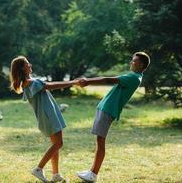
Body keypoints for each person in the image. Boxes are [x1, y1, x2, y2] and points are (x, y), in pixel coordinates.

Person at [76, 52, 150, 182]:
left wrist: (88, 81)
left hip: (108, 110)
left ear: (142, 64)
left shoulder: (134, 77)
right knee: (99, 141)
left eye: (134, 61)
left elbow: (107, 80)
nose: (131, 62)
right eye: (132, 60)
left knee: (100, 142)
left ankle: (93, 174)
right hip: (105, 108)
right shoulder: (133, 76)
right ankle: (91, 171)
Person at [10, 55, 77, 183]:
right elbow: (52, 85)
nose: (30, 65)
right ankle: (39, 169)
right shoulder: (32, 83)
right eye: (27, 63)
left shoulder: (28, 83)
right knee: (58, 143)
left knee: (55, 145)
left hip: (46, 116)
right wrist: (73, 82)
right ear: (22, 68)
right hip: (48, 116)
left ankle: (56, 174)